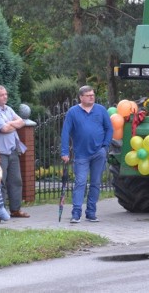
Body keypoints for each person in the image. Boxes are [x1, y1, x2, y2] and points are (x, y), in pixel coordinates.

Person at [61, 85, 112, 223]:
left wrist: (105, 146)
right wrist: (64, 152)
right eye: (88, 95)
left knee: (95, 183)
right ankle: (76, 213)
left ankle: (91, 213)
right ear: (81, 97)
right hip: (81, 154)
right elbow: (65, 132)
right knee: (80, 182)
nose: (92, 96)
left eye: (93, 94)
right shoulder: (73, 112)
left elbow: (109, 128)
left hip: (98, 153)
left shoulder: (101, 110)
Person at [0, 85, 30, 218]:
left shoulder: (8, 109)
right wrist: (12, 124)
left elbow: (21, 122)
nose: (5, 96)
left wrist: (10, 124)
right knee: (1, 181)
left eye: (6, 94)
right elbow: (3, 129)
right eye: (2, 95)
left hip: (12, 150)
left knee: (16, 180)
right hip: (0, 152)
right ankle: (0, 209)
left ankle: (15, 209)